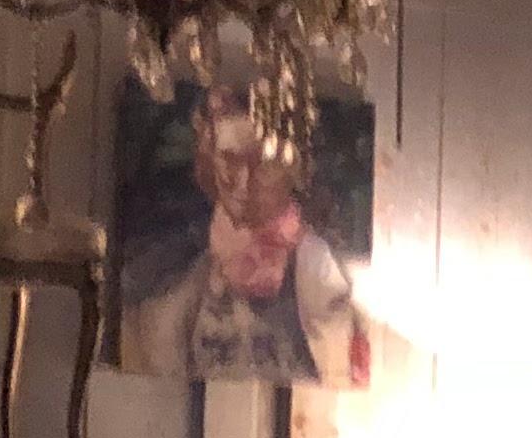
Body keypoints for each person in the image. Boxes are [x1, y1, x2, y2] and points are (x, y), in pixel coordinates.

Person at [117, 85, 367, 384]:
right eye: (230, 160)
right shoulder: (170, 277)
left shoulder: (328, 272)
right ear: (209, 159)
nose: (245, 182)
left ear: (294, 167)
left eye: (265, 163)